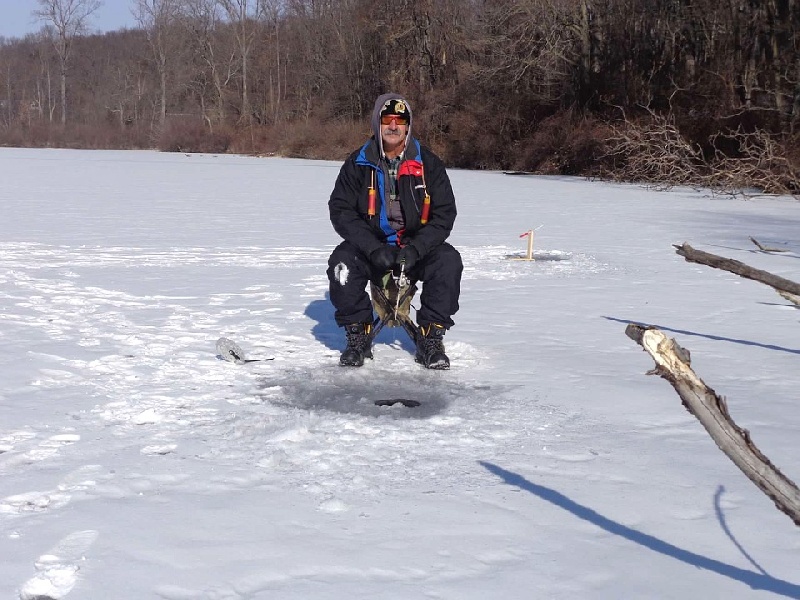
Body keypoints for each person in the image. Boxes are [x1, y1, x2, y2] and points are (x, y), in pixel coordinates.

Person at [327, 93, 462, 369]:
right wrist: (372, 247)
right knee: (342, 264)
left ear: (408, 126)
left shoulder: (429, 164)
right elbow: (341, 210)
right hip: (372, 248)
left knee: (448, 262)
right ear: (376, 123)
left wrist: (416, 249)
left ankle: (431, 337)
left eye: (400, 121)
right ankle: (357, 334)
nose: (393, 126)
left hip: (415, 248)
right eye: (387, 119)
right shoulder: (357, 163)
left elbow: (444, 214)